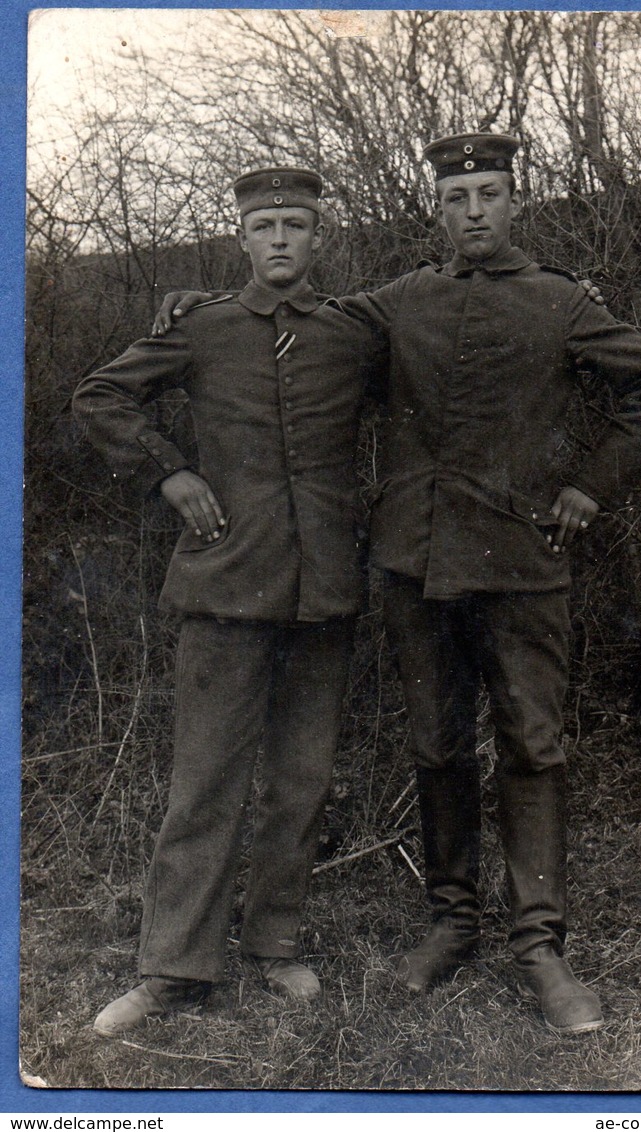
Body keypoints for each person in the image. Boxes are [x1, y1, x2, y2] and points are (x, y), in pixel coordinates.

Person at [153, 134, 641, 1034]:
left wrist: (590, 487)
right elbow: (297, 324)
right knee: (438, 745)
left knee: (532, 745)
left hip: (521, 564)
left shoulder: (561, 303)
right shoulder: (397, 302)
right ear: (435, 210)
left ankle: (539, 945)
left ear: (516, 201)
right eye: (456, 198)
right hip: (412, 568)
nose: (473, 211)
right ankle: (451, 923)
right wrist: (194, 306)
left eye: (488, 194)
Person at [73, 167, 385, 1036]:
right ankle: (173, 969)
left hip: (323, 588)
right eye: (264, 225)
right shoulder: (202, 328)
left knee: (301, 781)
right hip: (224, 585)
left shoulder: (353, 334)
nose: (280, 239)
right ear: (240, 237)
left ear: (320, 236)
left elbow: (439, 338)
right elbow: (100, 394)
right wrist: (168, 472)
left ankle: (274, 945)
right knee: (205, 783)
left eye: (296, 224)